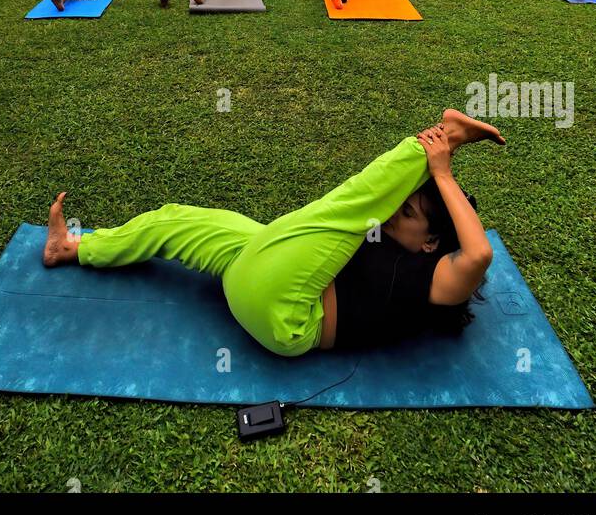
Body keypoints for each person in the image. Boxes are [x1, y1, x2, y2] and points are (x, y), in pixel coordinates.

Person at [42, 109, 505, 359]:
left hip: (286, 315)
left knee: (345, 207)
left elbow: (479, 254)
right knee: (175, 218)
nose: (391, 215)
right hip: (266, 267)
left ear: (430, 242)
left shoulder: (437, 280)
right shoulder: (377, 238)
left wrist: (443, 175)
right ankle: (73, 248)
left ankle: (448, 133)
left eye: (404, 212)